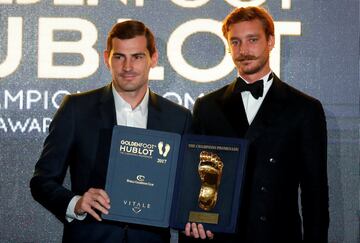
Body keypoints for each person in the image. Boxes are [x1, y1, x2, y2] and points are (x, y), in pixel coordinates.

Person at [30, 20, 192, 243]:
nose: (127, 67)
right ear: (107, 58)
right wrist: (76, 203)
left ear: (153, 59)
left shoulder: (178, 117)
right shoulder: (76, 109)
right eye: (119, 56)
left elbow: (186, 189)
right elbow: (42, 181)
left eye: (137, 56)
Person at [182, 6, 329, 243]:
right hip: (222, 236)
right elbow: (194, 182)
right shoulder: (207, 106)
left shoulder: (304, 109)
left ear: (270, 41)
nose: (243, 50)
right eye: (236, 42)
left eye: (252, 40)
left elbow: (316, 194)